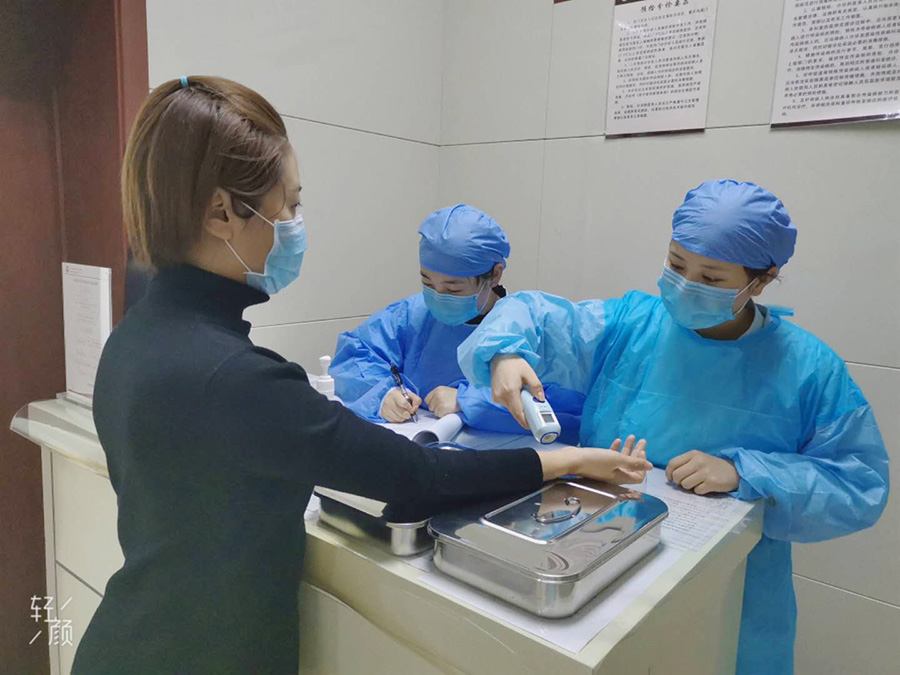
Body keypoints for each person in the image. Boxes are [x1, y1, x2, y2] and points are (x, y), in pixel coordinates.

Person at [70, 76, 653, 675]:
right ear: (222, 212)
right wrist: (564, 462)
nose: (295, 223)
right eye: (289, 206)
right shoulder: (236, 380)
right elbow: (416, 475)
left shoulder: (136, 338)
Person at [458, 179, 890, 675]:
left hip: (733, 584)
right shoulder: (631, 324)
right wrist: (505, 352)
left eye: (710, 276)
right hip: (602, 550)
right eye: (677, 264)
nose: (685, 284)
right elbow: (532, 311)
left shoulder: (809, 368)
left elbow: (859, 484)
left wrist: (744, 472)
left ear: (761, 281)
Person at [330, 204, 584, 437]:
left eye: (453, 289)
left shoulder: (526, 327)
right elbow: (353, 356)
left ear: (495, 275)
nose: (438, 296)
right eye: (427, 283)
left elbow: (569, 406)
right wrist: (381, 394)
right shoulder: (412, 314)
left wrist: (468, 401)